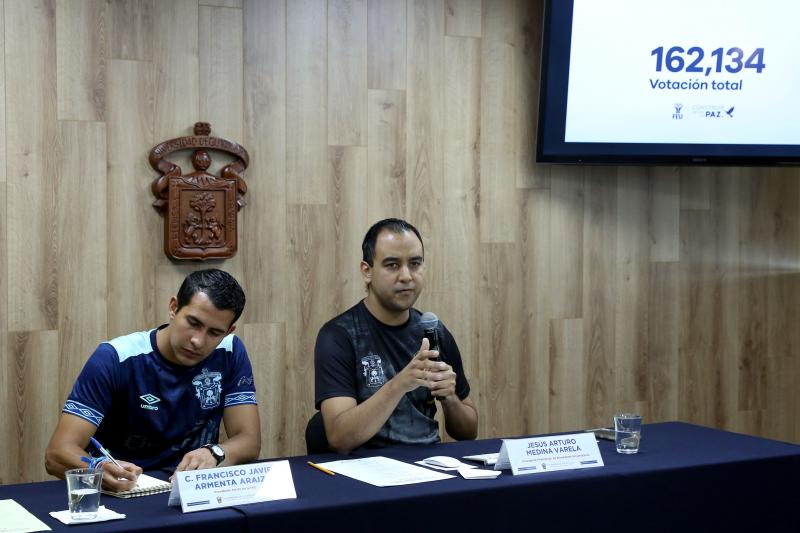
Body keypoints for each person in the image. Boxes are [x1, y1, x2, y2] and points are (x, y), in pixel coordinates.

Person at [45, 269, 261, 492]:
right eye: (193, 323)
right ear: (174, 307)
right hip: (125, 490)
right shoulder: (114, 358)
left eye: (214, 333)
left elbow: (249, 441)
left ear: (228, 331)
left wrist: (216, 452)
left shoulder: (230, 351)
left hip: (188, 491)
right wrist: (96, 467)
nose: (198, 340)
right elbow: (56, 454)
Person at [314, 218, 478, 453]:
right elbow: (339, 438)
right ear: (367, 271)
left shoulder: (434, 332)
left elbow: (468, 432)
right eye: (392, 265)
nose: (406, 276)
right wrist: (401, 384)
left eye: (415, 264)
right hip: (364, 468)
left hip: (428, 463)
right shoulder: (339, 336)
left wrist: (450, 397)